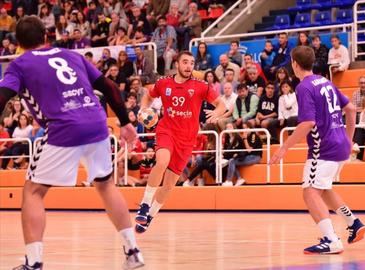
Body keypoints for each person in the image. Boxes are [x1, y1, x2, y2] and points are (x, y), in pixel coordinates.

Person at [0, 16, 143, 269]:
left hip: (63, 128)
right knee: (106, 185)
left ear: (19, 43)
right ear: (46, 35)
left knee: (33, 191)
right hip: (97, 123)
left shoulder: (19, 64)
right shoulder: (73, 55)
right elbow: (108, 86)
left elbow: (3, 96)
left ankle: (34, 263)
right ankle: (133, 252)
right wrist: (125, 122)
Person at [271, 46, 365, 254]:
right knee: (323, 189)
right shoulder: (326, 81)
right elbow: (350, 109)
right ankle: (353, 223)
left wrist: (283, 148)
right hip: (339, 143)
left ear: (294, 64)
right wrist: (348, 140)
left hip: (323, 148)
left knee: (310, 193)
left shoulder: (304, 87)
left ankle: (331, 240)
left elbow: (307, 123)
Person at [134, 51, 226, 233]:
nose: (188, 66)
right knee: (161, 162)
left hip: (187, 139)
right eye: (185, 62)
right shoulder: (164, 82)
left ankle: (150, 215)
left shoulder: (201, 86)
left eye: (191, 63)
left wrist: (217, 112)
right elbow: (148, 95)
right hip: (166, 130)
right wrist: (143, 109)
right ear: (177, 64)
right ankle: (144, 205)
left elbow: (221, 103)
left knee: (169, 185)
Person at [223, 122, 262, 187]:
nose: (244, 130)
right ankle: (239, 179)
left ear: (250, 128)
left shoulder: (253, 135)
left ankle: (229, 180)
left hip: (255, 157)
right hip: (248, 156)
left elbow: (249, 150)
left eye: (246, 128)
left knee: (232, 161)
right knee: (231, 161)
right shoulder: (228, 138)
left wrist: (245, 138)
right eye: (243, 128)